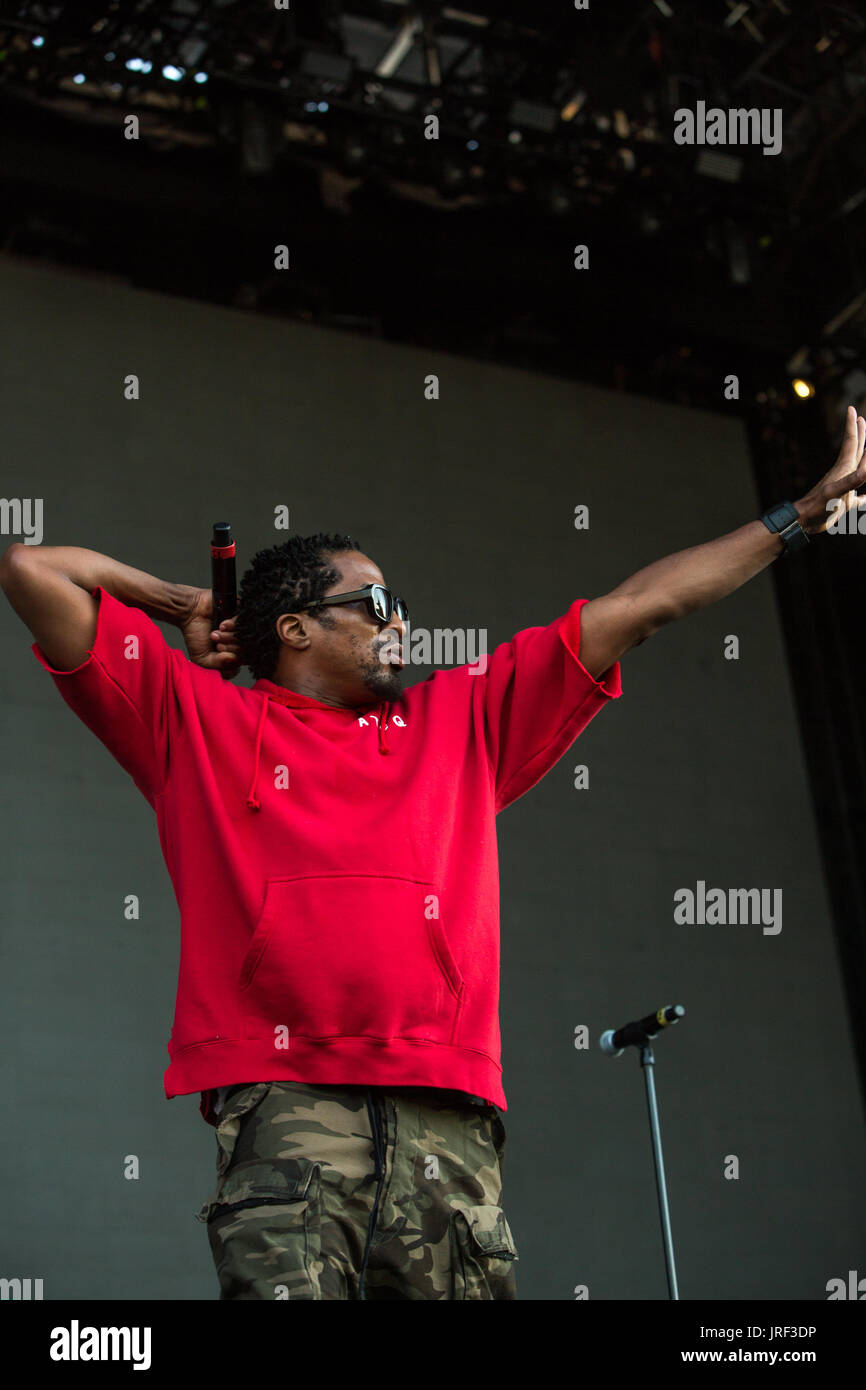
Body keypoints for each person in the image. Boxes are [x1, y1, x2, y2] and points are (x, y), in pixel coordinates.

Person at [2, 407, 864, 1300]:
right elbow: (34, 569)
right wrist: (186, 604)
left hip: (445, 1116)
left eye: (400, 603)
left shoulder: (463, 718)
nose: (399, 620)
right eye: (373, 604)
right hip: (286, 1112)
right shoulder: (200, 722)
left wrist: (799, 514)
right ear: (294, 630)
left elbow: (643, 607)